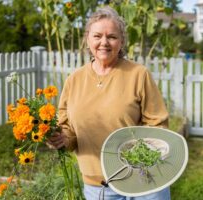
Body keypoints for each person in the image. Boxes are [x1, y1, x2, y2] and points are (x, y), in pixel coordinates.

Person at [48, 6, 170, 200]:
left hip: (144, 179)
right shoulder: (74, 80)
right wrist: (62, 139)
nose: (104, 42)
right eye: (97, 36)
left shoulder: (138, 75)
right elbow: (67, 128)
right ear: (88, 39)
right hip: (100, 186)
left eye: (112, 37)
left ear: (121, 42)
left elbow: (158, 124)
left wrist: (136, 158)